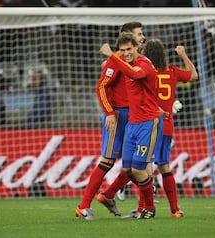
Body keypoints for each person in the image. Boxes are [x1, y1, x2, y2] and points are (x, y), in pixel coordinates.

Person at [75, 22, 145, 220]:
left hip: (138, 117)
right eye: (139, 34)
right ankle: (83, 206)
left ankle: (138, 207)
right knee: (107, 161)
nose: (143, 37)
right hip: (119, 116)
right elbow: (102, 87)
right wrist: (110, 113)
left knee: (136, 165)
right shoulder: (115, 62)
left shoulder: (142, 61)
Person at [121, 38, 198, 219]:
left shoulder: (145, 71)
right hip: (167, 125)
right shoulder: (172, 71)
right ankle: (175, 210)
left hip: (148, 122)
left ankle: (144, 208)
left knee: (142, 167)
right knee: (164, 167)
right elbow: (193, 75)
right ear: (163, 54)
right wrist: (183, 55)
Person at [96, 32, 163, 219]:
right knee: (127, 170)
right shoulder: (126, 64)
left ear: (137, 48)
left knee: (139, 169)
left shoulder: (144, 64)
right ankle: (144, 190)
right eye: (122, 50)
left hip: (147, 124)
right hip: (132, 125)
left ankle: (148, 208)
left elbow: (135, 74)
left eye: (129, 49)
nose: (126, 53)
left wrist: (111, 56)